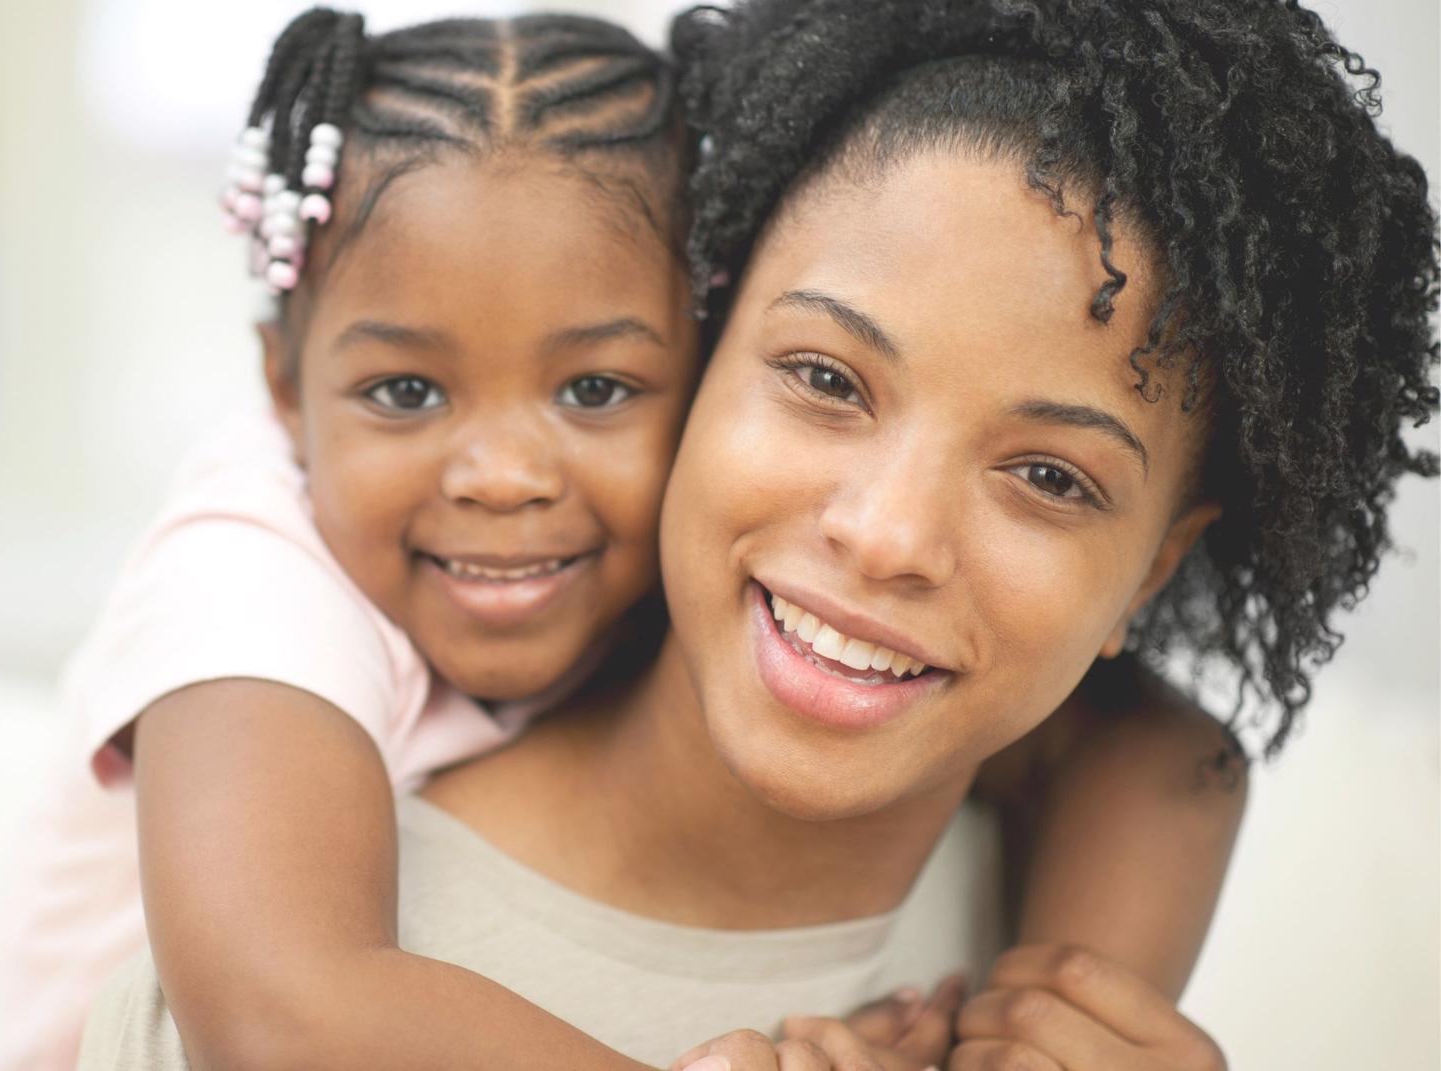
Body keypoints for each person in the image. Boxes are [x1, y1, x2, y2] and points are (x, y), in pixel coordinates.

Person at [74, 0, 1436, 1068]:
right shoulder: (305, 934)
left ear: (1154, 566)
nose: (890, 534)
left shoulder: (1060, 890)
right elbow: (278, 1012)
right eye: (828, 379)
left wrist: (1083, 1006)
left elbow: (1174, 751)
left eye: (1051, 477)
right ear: (705, 346)